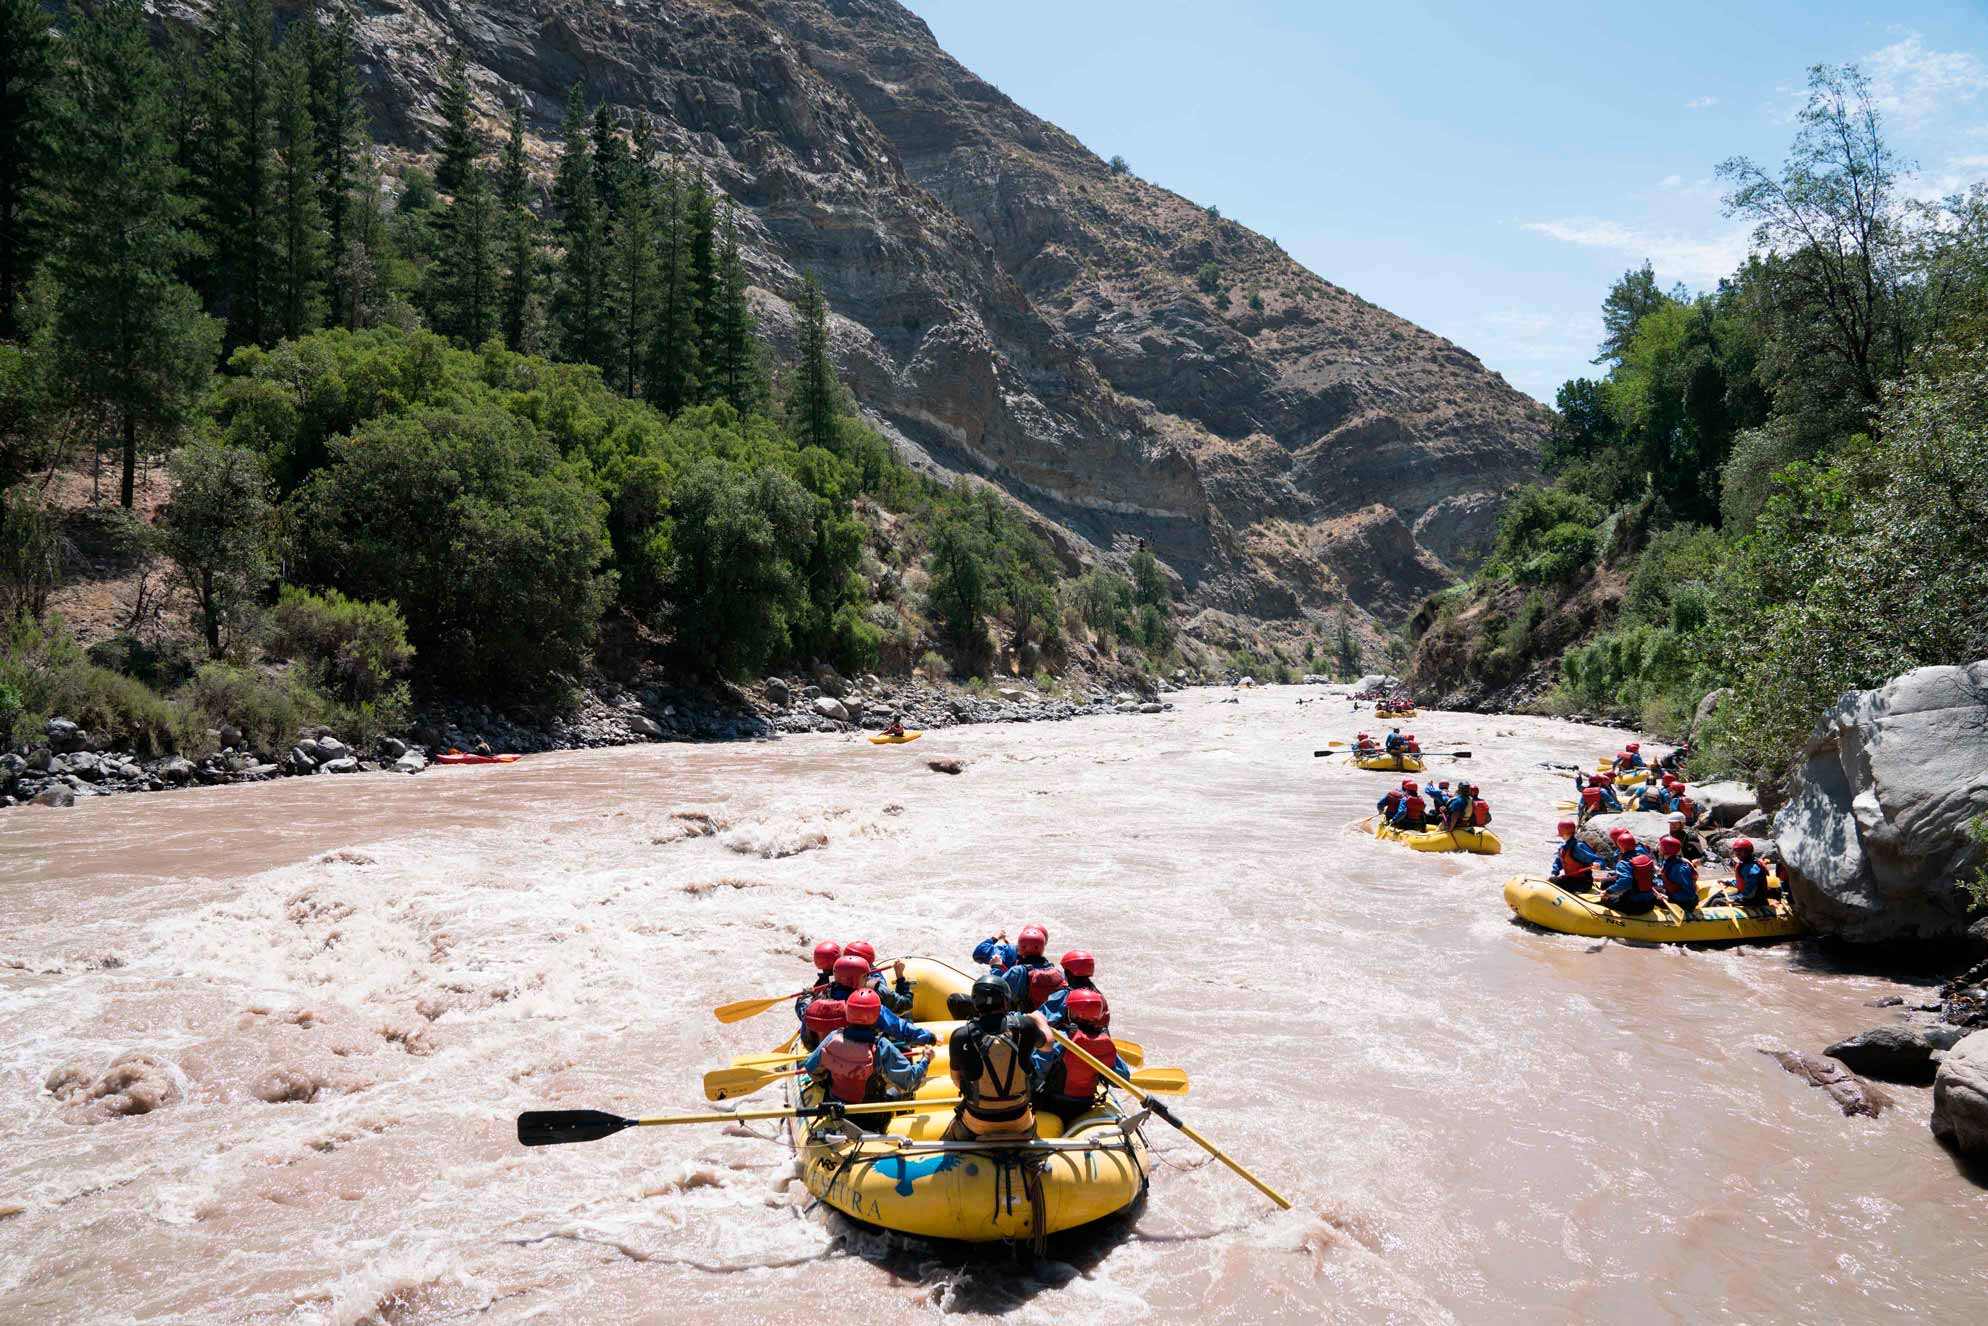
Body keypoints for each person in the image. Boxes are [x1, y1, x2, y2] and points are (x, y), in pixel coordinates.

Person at [803, 989, 931, 1130]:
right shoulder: (882, 1046)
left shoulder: (833, 1037)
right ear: (876, 1016)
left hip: (836, 1109)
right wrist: (925, 1059)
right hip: (872, 1118)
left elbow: (811, 1069)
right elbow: (910, 1081)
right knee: (900, 1090)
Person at [944, 975, 1052, 1140]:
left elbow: (957, 1080)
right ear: (1005, 1000)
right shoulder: (1025, 1025)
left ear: (975, 1002)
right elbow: (1047, 1045)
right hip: (1019, 1120)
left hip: (977, 1122)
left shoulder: (961, 1035)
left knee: (948, 1138)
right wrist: (1040, 1020)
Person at [1033, 989, 1128, 1126]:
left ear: (1071, 1012)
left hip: (1052, 1104)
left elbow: (1037, 1071)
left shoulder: (1061, 1038)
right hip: (1085, 1105)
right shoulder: (1105, 1042)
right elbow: (1122, 1079)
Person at [799, 954, 936, 1048]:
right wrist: (928, 1037)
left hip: (825, 1058)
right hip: (858, 1060)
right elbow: (899, 1027)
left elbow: (804, 1013)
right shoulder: (864, 1005)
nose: (867, 980)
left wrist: (805, 997)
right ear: (857, 979)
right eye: (865, 977)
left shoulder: (820, 997)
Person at [1039, 949, 1109, 1029]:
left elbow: (1042, 1018)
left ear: (1068, 973)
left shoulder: (1064, 995)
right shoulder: (1099, 996)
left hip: (1067, 1038)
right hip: (1097, 1039)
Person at [844, 940, 915, 1014]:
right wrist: (899, 976)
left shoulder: (832, 987)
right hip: (876, 1021)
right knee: (906, 1014)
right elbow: (906, 1004)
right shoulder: (876, 989)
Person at [1000, 924, 1055, 1009]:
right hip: (1046, 1017)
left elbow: (999, 994)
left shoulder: (1016, 971)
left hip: (1022, 1019)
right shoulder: (1055, 971)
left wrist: (996, 967)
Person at [1599, 841, 1660, 915]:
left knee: (1607, 900)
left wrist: (1608, 891)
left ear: (1621, 848)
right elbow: (1653, 872)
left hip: (1633, 905)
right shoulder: (1645, 859)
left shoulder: (1623, 864)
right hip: (1650, 902)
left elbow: (1626, 881)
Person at [1549, 819, 1602, 890]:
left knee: (1556, 882)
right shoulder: (1564, 846)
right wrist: (1555, 872)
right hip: (1571, 879)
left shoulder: (1578, 846)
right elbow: (1558, 861)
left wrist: (1598, 864)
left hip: (1583, 882)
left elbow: (1598, 860)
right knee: (1553, 880)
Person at [1654, 835, 1698, 913]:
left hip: (1685, 903)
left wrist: (1668, 898)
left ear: (1666, 849)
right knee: (1652, 887)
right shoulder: (1669, 861)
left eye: (1661, 846)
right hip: (1675, 895)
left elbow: (1688, 895)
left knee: (1651, 896)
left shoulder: (1678, 869)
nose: (1658, 848)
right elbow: (1667, 878)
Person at [1726, 838, 1773, 908]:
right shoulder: (1745, 864)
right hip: (1747, 896)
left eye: (1740, 851)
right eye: (1736, 851)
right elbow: (1743, 883)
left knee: (1717, 901)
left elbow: (1750, 892)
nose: (1737, 854)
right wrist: (1729, 883)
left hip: (1754, 900)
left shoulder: (1752, 870)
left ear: (1748, 851)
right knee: (1718, 896)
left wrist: (1737, 898)